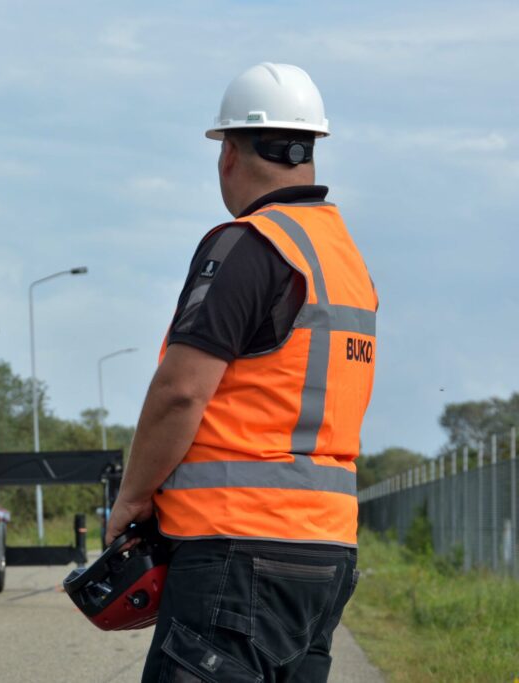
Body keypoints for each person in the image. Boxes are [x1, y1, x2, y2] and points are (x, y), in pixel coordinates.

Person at [105, 62, 378, 683]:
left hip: (236, 548)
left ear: (228, 152)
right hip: (328, 555)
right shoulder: (346, 262)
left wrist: (134, 497)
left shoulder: (248, 245)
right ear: (310, 151)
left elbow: (180, 393)